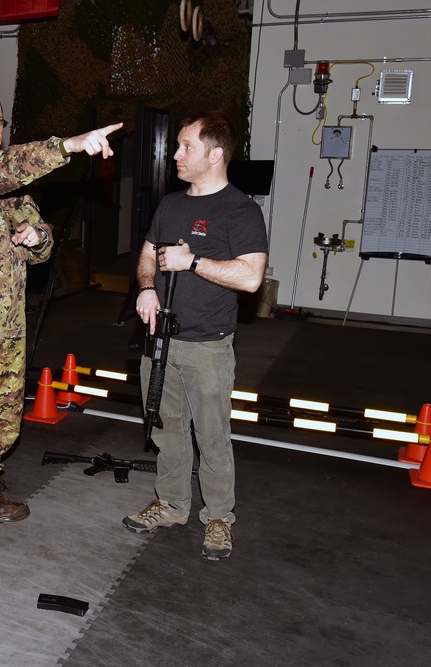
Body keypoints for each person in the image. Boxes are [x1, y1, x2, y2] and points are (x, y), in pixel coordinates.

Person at [0, 86, 122, 565]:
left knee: (3, 421)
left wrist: (37, 237)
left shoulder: (16, 191)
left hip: (9, 325)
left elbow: (43, 244)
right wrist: (68, 146)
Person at [123, 112, 267, 561]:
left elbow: (251, 278)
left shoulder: (240, 210)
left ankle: (219, 516)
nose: (176, 154)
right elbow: (148, 254)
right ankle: (171, 505)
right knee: (166, 432)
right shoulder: (170, 205)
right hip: (160, 340)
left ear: (216, 154)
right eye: (178, 146)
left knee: (212, 435)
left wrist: (194, 263)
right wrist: (146, 288)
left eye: (186, 147)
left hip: (207, 345)